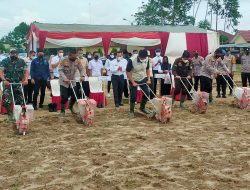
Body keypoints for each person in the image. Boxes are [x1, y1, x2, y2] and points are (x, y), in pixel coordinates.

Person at [0, 49, 28, 122]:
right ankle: (10, 115)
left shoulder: (22, 61)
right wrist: (4, 80)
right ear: (10, 53)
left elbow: (26, 71)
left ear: (17, 54)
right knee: (6, 101)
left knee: (21, 101)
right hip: (8, 84)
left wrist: (25, 80)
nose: (14, 54)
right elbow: (1, 72)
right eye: (12, 53)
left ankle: (22, 115)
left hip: (18, 84)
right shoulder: (5, 61)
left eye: (15, 53)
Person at [58, 49, 85, 117]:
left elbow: (81, 69)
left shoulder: (77, 60)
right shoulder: (63, 60)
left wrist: (82, 75)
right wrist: (65, 78)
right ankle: (62, 110)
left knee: (75, 96)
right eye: (73, 57)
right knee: (64, 97)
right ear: (69, 55)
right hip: (64, 81)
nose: (74, 58)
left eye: (75, 57)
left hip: (73, 80)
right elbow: (60, 70)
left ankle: (70, 106)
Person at [126, 49, 151, 118]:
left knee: (147, 93)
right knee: (133, 96)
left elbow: (147, 69)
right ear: (139, 56)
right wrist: (133, 82)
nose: (143, 59)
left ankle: (142, 108)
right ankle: (131, 111)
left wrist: (148, 79)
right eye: (142, 58)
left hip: (143, 78)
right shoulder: (131, 60)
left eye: (144, 58)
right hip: (133, 78)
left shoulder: (147, 59)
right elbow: (128, 72)